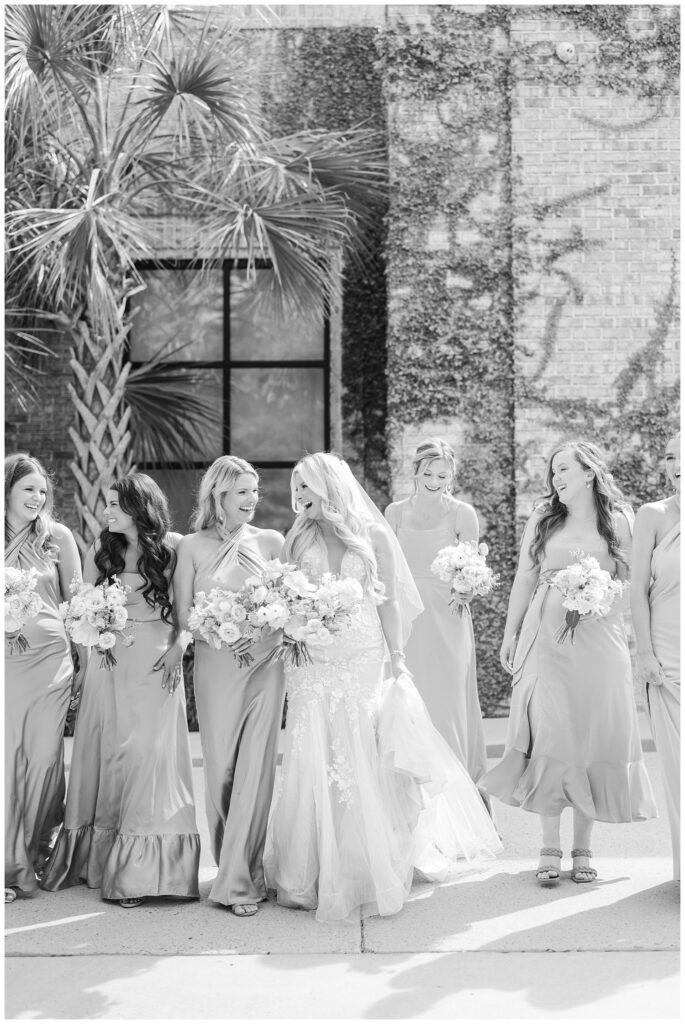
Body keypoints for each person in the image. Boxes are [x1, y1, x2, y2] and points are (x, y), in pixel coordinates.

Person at [264, 452, 502, 923]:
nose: (299, 496)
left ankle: (366, 861)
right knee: (314, 748)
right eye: (296, 487)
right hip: (312, 661)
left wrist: (397, 658)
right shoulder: (297, 537)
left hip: (362, 656)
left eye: (306, 487)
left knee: (362, 749)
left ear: (329, 487)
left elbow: (390, 600)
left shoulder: (372, 535)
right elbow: (284, 595)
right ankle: (309, 867)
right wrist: (295, 625)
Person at [482, 440, 657, 886]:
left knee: (590, 735)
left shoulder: (619, 520)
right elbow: (525, 575)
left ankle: (583, 848)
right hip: (546, 645)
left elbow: (630, 581)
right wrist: (510, 632)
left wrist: (599, 596)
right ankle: (548, 845)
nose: (556, 478)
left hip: (601, 644)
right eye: (553, 471)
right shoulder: (544, 517)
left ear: (589, 473)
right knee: (552, 733)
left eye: (564, 469)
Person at [41, 473, 200, 907]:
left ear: (139, 506)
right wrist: (92, 630)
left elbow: (189, 609)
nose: (106, 511)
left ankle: (149, 868)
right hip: (109, 665)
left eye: (114, 504)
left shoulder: (174, 545)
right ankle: (112, 864)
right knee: (112, 754)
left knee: (151, 755)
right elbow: (79, 607)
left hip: (157, 663)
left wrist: (179, 648)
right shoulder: (102, 548)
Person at [173, 456, 286, 917]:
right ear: (217, 495)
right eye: (242, 491)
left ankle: (243, 878)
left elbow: (289, 600)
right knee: (221, 768)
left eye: (255, 490)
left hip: (266, 664)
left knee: (257, 769)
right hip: (217, 665)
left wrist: (262, 627)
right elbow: (183, 616)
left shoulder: (272, 541)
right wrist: (221, 631)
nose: (252, 499)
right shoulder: (192, 547)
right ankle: (228, 864)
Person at [385, 438, 488, 786]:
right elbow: (387, 570)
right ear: (415, 471)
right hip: (408, 619)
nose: (434, 480)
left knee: (448, 705)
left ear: (452, 475)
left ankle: (461, 794)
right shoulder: (395, 512)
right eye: (428, 472)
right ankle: (413, 795)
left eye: (442, 475)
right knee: (412, 702)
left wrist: (467, 588)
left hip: (448, 618)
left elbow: (472, 572)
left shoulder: (462, 513)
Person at [5, 453, 82, 904]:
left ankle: (33, 851)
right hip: (6, 667)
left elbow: (78, 602)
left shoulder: (59, 537)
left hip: (53, 663)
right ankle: (9, 862)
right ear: (7, 492)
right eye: (28, 489)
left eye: (42, 490)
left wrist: (89, 662)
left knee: (44, 758)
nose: (37, 497)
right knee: (7, 758)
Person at [631, 433, 680, 882]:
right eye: (670, 456)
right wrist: (643, 652)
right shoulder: (653, 516)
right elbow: (636, 590)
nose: (676, 464)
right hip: (668, 658)